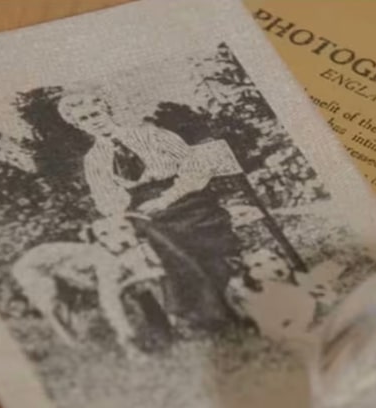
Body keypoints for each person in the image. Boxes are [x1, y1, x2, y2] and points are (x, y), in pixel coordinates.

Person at [57, 89, 242, 334]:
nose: (94, 121)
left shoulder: (152, 135)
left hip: (187, 199)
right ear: (78, 125)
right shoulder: (94, 159)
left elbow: (196, 167)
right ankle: (210, 314)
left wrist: (166, 199)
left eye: (96, 113)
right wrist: (124, 209)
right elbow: (104, 200)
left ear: (107, 110)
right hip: (141, 212)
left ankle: (206, 315)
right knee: (156, 234)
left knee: (168, 236)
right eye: (85, 119)